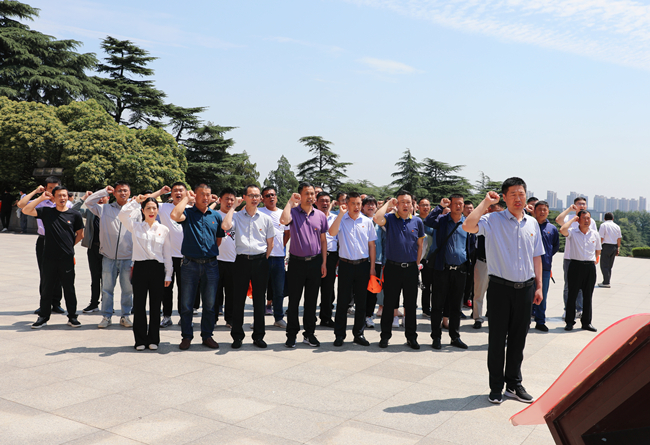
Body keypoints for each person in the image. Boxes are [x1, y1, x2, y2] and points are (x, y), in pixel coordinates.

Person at [463, 177, 544, 405]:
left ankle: (514, 384)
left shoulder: (532, 223)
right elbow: (468, 226)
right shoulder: (492, 220)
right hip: (500, 288)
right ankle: (496, 387)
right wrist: (485, 203)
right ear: (505, 197)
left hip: (525, 289)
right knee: (497, 340)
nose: (518, 198)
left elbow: (537, 256)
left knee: (519, 340)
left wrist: (539, 286)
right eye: (513, 194)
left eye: (521, 194)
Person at [170, 184, 225, 350]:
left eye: (208, 194)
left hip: (211, 264)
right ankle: (186, 336)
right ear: (195, 195)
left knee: (210, 304)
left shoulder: (216, 216)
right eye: (202, 194)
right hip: (190, 264)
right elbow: (174, 215)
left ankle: (207, 336)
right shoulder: (187, 213)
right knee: (187, 304)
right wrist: (187, 198)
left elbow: (218, 239)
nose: (206, 198)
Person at [23, 186, 84, 328]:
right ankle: (43, 317)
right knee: (47, 288)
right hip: (49, 257)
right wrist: (41, 198)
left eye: (64, 195)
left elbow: (80, 234)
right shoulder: (46, 212)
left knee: (69, 288)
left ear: (68, 197)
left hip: (67, 258)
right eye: (59, 195)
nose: (62, 198)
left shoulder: (75, 214)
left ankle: (72, 317)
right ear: (54, 198)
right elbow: (26, 210)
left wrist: (68, 247)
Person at [222, 185, 274, 349]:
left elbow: (270, 243)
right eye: (251, 195)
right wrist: (233, 207)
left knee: (259, 301)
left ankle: (258, 336)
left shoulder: (265, 218)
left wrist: (262, 259)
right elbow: (225, 226)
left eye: (257, 195)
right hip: (241, 261)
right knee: (238, 300)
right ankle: (237, 336)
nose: (254, 198)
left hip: (260, 261)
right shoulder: (237, 216)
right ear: (244, 197)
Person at [118, 195, 172, 350]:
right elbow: (122, 214)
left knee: (155, 305)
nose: (151, 211)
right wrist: (135, 201)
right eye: (148, 208)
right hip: (140, 268)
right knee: (139, 305)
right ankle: (140, 340)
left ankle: (153, 339)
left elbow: (167, 254)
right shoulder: (135, 226)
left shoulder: (164, 229)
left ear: (158, 211)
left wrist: (168, 274)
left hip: (157, 269)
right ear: (142, 210)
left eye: (154, 208)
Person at [280, 182, 328, 348]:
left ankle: (309, 334)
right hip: (296, 263)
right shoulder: (293, 212)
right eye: (306, 193)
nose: (310, 196)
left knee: (311, 301)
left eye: (312, 193)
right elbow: (283, 220)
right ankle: (291, 334)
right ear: (300, 195)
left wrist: (324, 263)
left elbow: (323, 241)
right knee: (294, 301)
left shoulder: (320, 215)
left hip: (315, 263)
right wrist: (290, 202)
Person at [374, 190, 424, 349]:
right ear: (397, 204)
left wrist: (416, 264)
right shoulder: (390, 219)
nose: (405, 205)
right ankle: (385, 336)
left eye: (408, 202)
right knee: (389, 304)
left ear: (412, 205)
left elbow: (420, 245)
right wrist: (388, 204)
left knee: (410, 305)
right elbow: (377, 218)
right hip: (392, 268)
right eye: (402, 202)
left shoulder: (417, 221)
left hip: (410, 269)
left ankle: (411, 337)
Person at [328, 192, 377, 346]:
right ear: (346, 204)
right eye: (353, 203)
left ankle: (359, 334)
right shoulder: (341, 220)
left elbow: (372, 245)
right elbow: (331, 233)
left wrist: (372, 267)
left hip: (363, 265)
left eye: (358, 204)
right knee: (342, 302)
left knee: (362, 302)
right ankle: (339, 334)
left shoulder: (367, 221)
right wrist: (340, 215)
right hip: (345, 265)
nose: (356, 207)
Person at [85, 182, 135, 329]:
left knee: (127, 290)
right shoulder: (105, 208)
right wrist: (103, 191)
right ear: (114, 193)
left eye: (125, 190)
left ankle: (125, 316)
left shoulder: (135, 210)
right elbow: (88, 202)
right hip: (108, 256)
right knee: (107, 289)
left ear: (129, 192)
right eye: (119, 191)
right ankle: (106, 316)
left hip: (128, 257)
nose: (122, 193)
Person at [425, 195, 471, 350]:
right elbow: (428, 221)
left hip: (460, 270)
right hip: (442, 269)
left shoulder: (467, 223)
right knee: (437, 305)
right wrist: (439, 207)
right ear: (450, 206)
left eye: (460, 203)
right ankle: (436, 337)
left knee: (456, 307)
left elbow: (471, 245)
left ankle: (455, 336)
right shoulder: (442, 220)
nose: (458, 206)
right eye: (455, 203)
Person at [17, 177, 69, 315]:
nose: (52, 190)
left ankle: (56, 303)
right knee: (45, 274)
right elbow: (21, 205)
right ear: (45, 188)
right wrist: (37, 193)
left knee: (59, 274)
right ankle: (44, 304)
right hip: (44, 241)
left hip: (60, 242)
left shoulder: (66, 203)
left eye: (55, 187)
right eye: (50, 188)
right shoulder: (41, 202)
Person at [151, 183, 186, 328]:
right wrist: (160, 192)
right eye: (175, 190)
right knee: (166, 288)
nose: (178, 193)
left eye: (181, 190)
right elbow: (146, 201)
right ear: (171, 194)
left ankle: (184, 317)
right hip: (167, 256)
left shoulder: (191, 209)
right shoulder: (164, 207)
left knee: (184, 290)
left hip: (185, 257)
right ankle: (167, 316)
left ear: (186, 193)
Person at [560, 210, 601, 332]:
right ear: (578, 219)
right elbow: (562, 230)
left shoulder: (595, 234)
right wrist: (573, 219)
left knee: (588, 296)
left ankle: (586, 322)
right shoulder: (573, 232)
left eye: (588, 218)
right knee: (572, 295)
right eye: (584, 218)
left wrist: (594, 259)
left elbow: (598, 249)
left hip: (589, 267)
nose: (587, 220)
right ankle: (569, 322)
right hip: (575, 266)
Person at [555, 197, 596, 320]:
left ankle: (580, 309)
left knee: (583, 288)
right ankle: (567, 310)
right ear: (575, 205)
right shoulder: (569, 218)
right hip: (570, 257)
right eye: (579, 204)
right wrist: (569, 210)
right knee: (569, 286)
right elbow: (558, 220)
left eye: (584, 204)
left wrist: (594, 257)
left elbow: (593, 238)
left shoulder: (590, 220)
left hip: (586, 259)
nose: (582, 205)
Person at [72, 190, 109, 313]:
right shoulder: (90, 211)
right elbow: (74, 210)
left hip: (108, 250)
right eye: (98, 197)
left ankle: (107, 304)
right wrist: (84, 198)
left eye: (103, 197)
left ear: (108, 198)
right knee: (95, 277)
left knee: (107, 279)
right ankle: (94, 304)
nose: (101, 199)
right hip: (93, 248)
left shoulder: (111, 211)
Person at [259, 186, 290, 329]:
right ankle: (258, 319)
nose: (271, 197)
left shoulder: (283, 214)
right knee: (260, 290)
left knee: (279, 290)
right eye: (267, 195)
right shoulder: (259, 212)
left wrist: (279, 246)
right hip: (262, 257)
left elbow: (287, 233)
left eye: (273, 195)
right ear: (262, 199)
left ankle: (278, 318)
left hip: (278, 258)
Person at [532, 201, 559, 332]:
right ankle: (524, 321)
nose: (542, 212)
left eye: (545, 209)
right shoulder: (529, 225)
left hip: (545, 267)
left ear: (548, 212)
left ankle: (540, 321)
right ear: (534, 211)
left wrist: (546, 257)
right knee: (526, 295)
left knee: (542, 295)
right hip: (528, 266)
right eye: (540, 209)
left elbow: (555, 247)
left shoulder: (552, 229)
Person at [214, 188, 238, 328]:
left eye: (232, 199)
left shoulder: (238, 216)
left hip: (233, 261)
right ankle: (213, 319)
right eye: (226, 199)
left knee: (232, 293)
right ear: (220, 200)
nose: (229, 202)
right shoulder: (214, 214)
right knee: (214, 292)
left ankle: (230, 319)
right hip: (215, 260)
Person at [315, 191, 338, 327]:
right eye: (322, 201)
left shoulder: (336, 218)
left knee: (328, 289)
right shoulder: (312, 217)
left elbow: (340, 238)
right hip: (315, 256)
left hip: (331, 256)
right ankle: (310, 317)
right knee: (312, 288)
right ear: (316, 202)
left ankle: (326, 317)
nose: (325, 203)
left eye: (327, 201)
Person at [362, 196, 383, 328]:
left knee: (373, 290)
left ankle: (369, 315)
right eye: (368, 204)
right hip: (362, 260)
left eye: (373, 204)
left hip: (377, 261)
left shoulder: (380, 222)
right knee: (361, 290)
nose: (370, 207)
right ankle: (361, 315)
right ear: (363, 207)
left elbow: (384, 241)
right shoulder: (359, 220)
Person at [416, 198, 434, 318]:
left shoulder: (433, 221)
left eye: (427, 205)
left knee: (429, 284)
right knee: (417, 285)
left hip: (430, 257)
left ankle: (428, 308)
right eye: (423, 205)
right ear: (418, 207)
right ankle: (422, 308)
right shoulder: (415, 220)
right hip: (418, 257)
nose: (425, 207)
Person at [598, 212, 622, 288]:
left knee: (604, 265)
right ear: (613, 218)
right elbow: (619, 238)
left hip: (606, 246)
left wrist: (598, 247)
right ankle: (606, 281)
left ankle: (606, 282)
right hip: (614, 246)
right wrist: (618, 247)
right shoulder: (617, 226)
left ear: (604, 218)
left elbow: (601, 237)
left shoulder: (603, 225)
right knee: (609, 265)